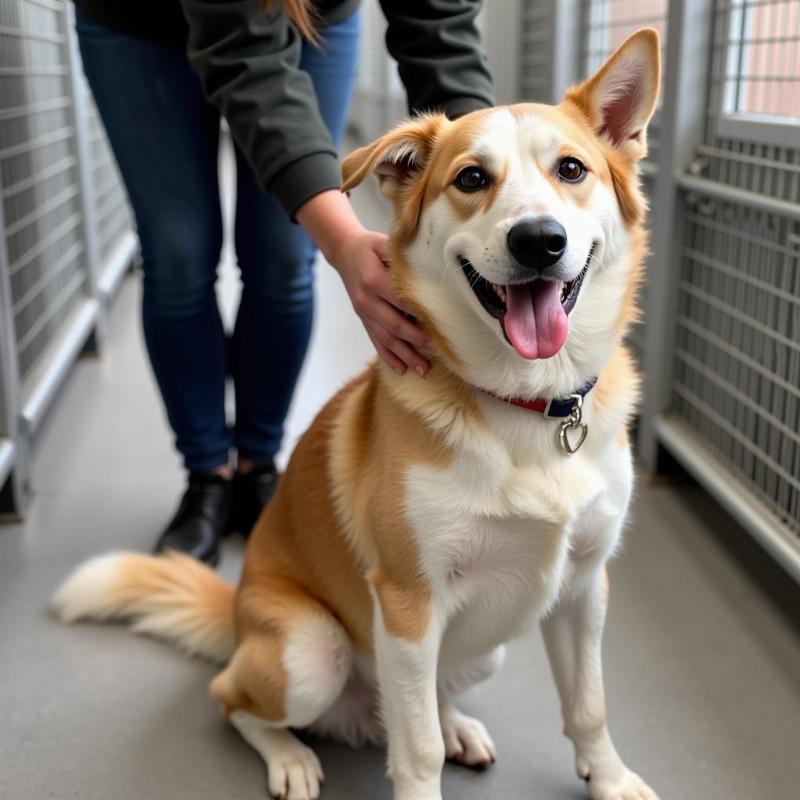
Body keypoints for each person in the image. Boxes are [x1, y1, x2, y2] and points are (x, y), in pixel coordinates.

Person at [73, 0, 494, 565]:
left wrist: (491, 169)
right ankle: (207, 476)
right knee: (178, 256)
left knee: (284, 257)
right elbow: (244, 55)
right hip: (137, 24)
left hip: (312, 17)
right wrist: (346, 243)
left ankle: (256, 464)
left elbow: (440, 30)